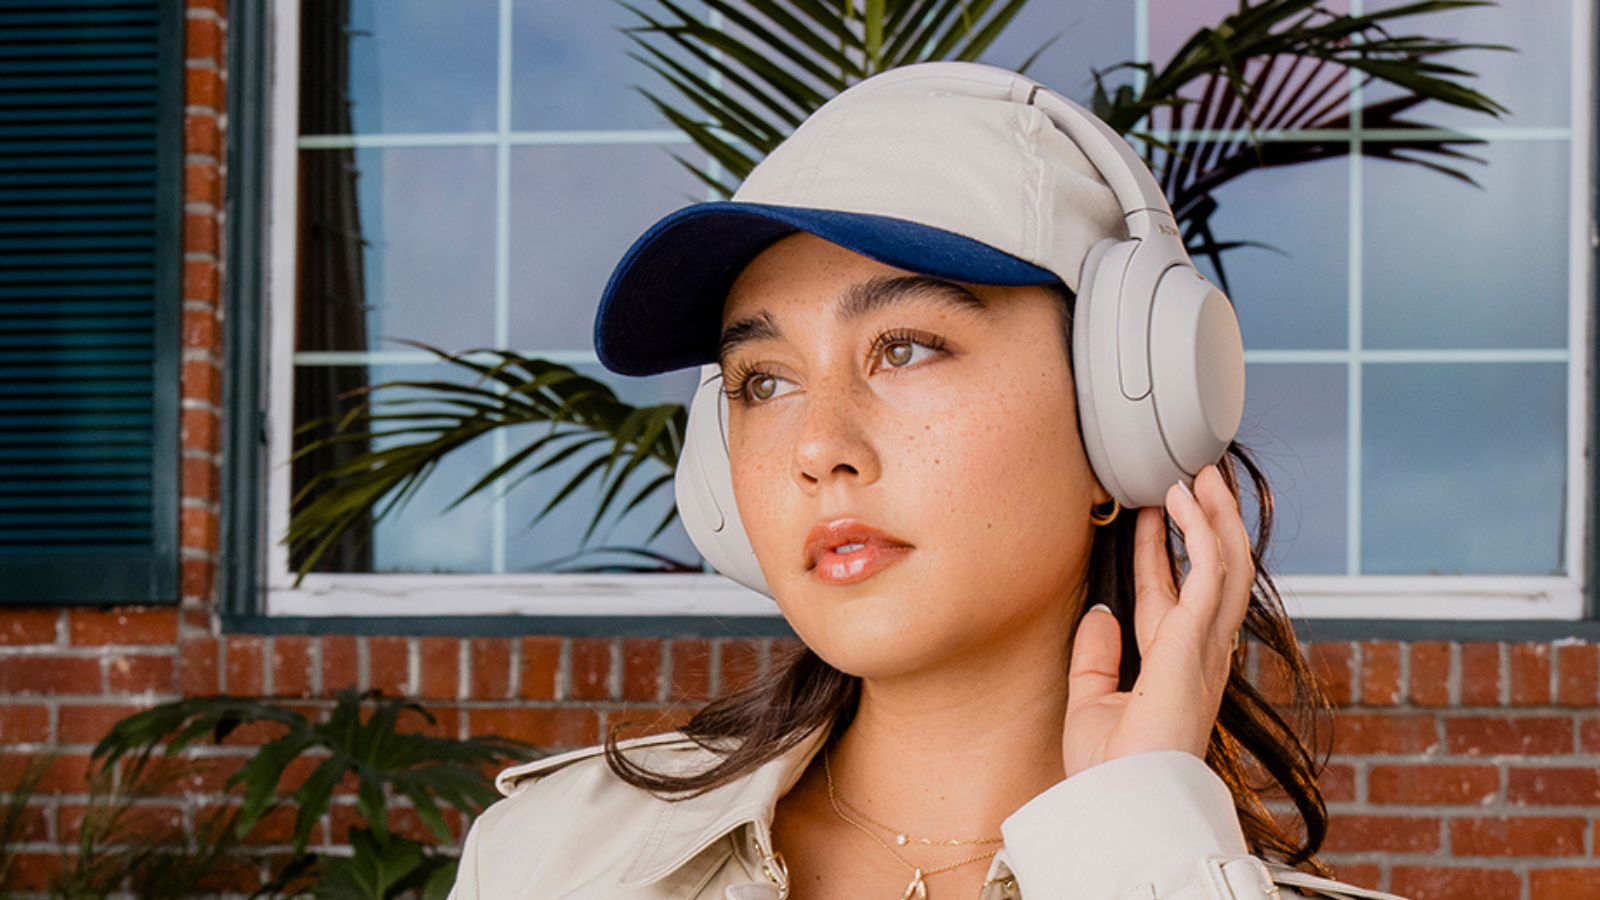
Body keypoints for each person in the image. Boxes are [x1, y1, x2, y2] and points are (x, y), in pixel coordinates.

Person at [447, 62, 1400, 900]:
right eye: (762, 382)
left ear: (1123, 414)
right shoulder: (547, 860)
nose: (818, 446)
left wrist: (1138, 839)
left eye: (905, 349)